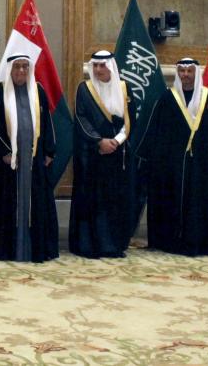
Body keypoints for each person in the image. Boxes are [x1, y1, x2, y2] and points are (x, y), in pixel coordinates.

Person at [139, 58, 208, 256]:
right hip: (173, 164)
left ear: (196, 73)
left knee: (198, 201)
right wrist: (151, 159)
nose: (185, 75)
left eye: (189, 71)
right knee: (173, 199)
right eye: (182, 71)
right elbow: (156, 130)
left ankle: (199, 242)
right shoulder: (168, 98)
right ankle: (171, 241)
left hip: (202, 162)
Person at [0, 54, 59, 262]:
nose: (22, 71)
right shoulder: (0, 93)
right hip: (9, 163)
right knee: (9, 204)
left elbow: (47, 123)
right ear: (10, 69)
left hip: (35, 160)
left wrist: (49, 151)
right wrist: (5, 152)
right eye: (17, 67)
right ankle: (8, 250)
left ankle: (35, 249)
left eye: (25, 67)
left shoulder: (38, 90)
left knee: (36, 202)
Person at [68, 50, 135, 259]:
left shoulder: (124, 88)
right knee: (91, 200)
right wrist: (99, 141)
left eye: (102, 65)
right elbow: (81, 118)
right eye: (95, 66)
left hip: (116, 154)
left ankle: (112, 245)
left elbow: (130, 120)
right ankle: (89, 245)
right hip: (92, 154)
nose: (98, 70)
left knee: (114, 200)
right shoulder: (84, 89)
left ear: (111, 66)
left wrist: (116, 141)